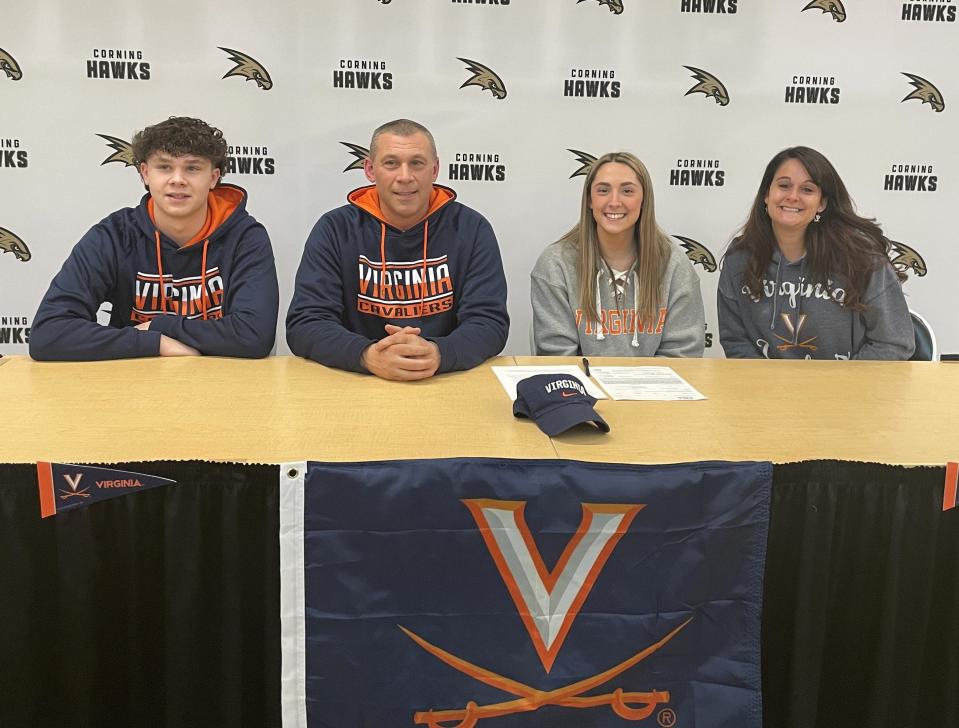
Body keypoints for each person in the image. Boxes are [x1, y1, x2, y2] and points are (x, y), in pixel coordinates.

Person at [30, 116, 279, 361]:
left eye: (192, 168)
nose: (178, 179)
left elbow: (254, 336)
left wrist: (158, 326)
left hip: (222, 386)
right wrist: (155, 343)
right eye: (164, 167)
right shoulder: (115, 236)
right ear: (145, 174)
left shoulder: (244, 237)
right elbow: (49, 333)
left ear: (213, 178)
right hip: (130, 385)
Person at [286, 118, 509, 380]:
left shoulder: (471, 229)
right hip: (356, 383)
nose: (405, 177)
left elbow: (489, 322)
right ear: (370, 169)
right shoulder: (335, 229)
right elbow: (306, 323)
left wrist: (439, 353)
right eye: (391, 163)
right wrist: (367, 355)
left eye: (417, 163)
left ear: (435, 169)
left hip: (443, 380)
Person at [718, 146, 914, 360]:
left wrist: (834, 387)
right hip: (766, 389)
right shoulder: (740, 257)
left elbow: (893, 343)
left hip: (848, 390)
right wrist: (770, 388)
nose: (793, 196)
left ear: (822, 203)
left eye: (807, 190)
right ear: (766, 194)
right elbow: (736, 342)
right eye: (784, 186)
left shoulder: (861, 258)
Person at [530, 151, 705, 357]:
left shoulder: (674, 265)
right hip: (579, 389)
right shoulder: (555, 264)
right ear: (589, 200)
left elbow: (682, 355)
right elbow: (558, 358)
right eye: (603, 190)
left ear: (644, 200)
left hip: (655, 389)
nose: (614, 202)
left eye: (627, 191)